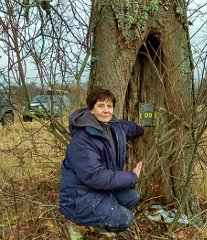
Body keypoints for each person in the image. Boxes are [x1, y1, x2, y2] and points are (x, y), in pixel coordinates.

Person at [59, 88, 144, 233]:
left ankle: (102, 215)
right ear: (91, 109)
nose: (106, 110)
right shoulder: (82, 140)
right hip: (79, 197)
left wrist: (142, 128)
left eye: (109, 106)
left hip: (99, 189)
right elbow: (96, 176)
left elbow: (127, 128)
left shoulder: (111, 128)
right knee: (126, 218)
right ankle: (80, 225)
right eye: (100, 106)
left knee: (132, 196)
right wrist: (132, 177)